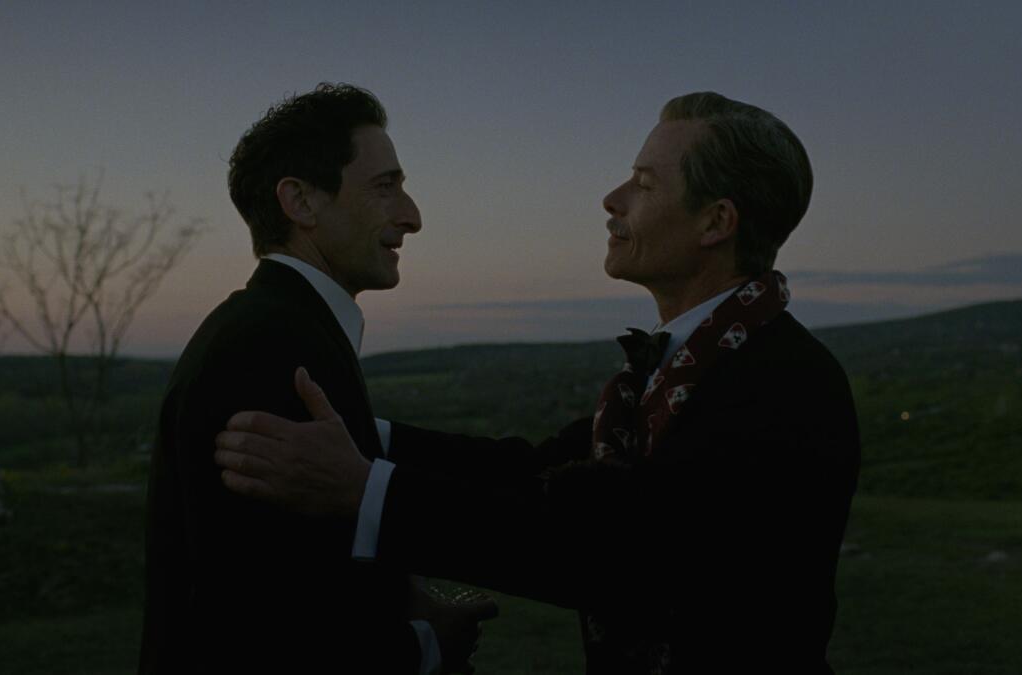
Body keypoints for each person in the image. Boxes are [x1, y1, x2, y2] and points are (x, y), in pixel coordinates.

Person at [214, 92, 861, 674]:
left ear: (715, 222)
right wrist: (366, 435)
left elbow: (617, 553)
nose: (612, 199)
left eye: (643, 183)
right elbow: (534, 472)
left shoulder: (783, 384)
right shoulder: (684, 370)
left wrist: (364, 490)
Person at [139, 82, 493, 675]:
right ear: (301, 203)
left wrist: (395, 590)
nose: (412, 216)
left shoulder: (278, 328)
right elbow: (264, 621)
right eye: (385, 187)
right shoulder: (271, 348)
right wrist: (429, 646)